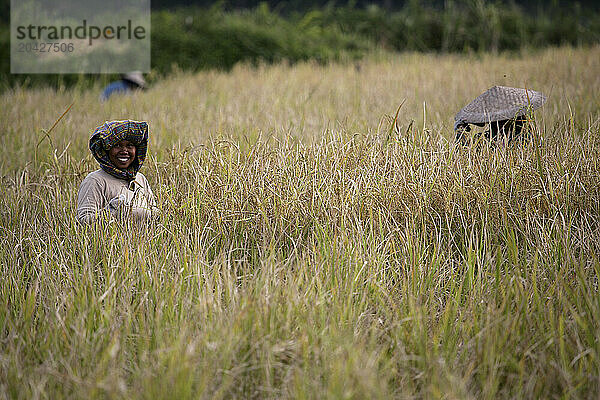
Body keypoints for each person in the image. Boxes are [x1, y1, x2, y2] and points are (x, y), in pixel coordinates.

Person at [77, 120, 158, 224]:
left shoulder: (140, 178)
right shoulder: (95, 180)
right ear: (107, 150)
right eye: (117, 145)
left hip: (143, 240)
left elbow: (153, 213)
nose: (124, 151)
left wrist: (156, 214)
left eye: (129, 146)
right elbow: (83, 222)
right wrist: (110, 212)